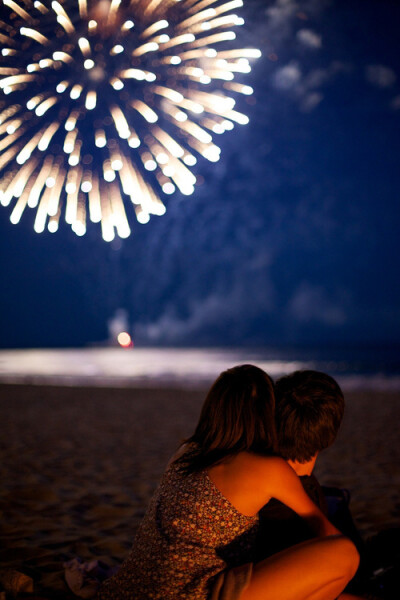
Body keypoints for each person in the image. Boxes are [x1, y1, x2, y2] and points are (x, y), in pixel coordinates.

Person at [96, 364, 359, 600]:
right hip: (192, 593)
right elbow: (326, 532)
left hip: (130, 590)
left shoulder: (188, 451)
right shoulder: (266, 469)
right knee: (345, 553)